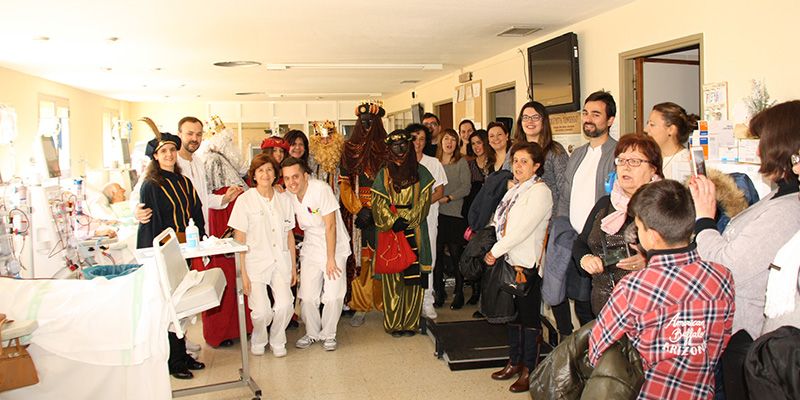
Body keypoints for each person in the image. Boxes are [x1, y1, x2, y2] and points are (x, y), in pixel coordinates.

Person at [589, 180, 735, 400]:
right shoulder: (722, 277)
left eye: (639, 227)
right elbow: (722, 341)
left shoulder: (632, 287)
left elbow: (597, 350)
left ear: (653, 236)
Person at [690, 100, 800, 339]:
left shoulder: (787, 211)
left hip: (747, 334)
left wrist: (705, 218)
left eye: (763, 143)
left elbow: (726, 268)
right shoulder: (779, 195)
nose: (758, 152)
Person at [135, 129, 206, 380]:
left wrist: (202, 241)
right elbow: (149, 223)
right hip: (163, 254)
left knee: (182, 304)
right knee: (169, 307)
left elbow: (196, 212)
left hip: (186, 249)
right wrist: (153, 257)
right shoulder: (150, 185)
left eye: (172, 150)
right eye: (163, 151)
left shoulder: (184, 181)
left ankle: (182, 354)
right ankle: (173, 362)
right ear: (155, 156)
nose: (169, 154)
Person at [549, 90, 619, 337]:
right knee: (580, 303)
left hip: (603, 245)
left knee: (600, 308)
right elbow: (565, 197)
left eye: (596, 114)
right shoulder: (578, 154)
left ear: (610, 120)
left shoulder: (618, 153)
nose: (588, 119)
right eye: (586, 113)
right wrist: (561, 229)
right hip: (576, 242)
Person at [171, 116, 246, 349]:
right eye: (189, 134)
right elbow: (144, 190)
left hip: (198, 235)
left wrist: (225, 198)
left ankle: (183, 342)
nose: (194, 138)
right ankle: (177, 347)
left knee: (191, 289)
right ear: (179, 134)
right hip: (178, 237)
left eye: (198, 134)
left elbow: (203, 199)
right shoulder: (171, 162)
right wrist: (139, 210)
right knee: (177, 293)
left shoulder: (198, 162)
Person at [485, 142, 552, 393]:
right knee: (512, 316)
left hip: (526, 264)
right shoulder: (516, 189)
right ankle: (514, 362)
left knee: (529, 318)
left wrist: (494, 251)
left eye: (525, 161)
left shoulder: (540, 192)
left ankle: (529, 370)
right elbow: (500, 221)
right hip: (509, 260)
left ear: (536, 166)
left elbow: (522, 230)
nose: (518, 166)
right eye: (515, 161)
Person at [573, 133, 661, 315]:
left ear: (653, 169)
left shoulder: (663, 205)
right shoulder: (605, 203)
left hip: (646, 307)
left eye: (634, 161)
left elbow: (681, 254)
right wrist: (586, 259)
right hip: (603, 308)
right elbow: (580, 243)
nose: (625, 167)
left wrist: (649, 262)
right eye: (621, 160)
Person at [228, 154, 296, 357]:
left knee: (285, 305)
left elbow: (289, 235)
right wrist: (243, 274)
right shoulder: (245, 201)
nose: (265, 174)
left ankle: (277, 338)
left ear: (275, 174)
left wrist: (293, 267)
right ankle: (259, 337)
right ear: (254, 176)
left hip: (280, 260)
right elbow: (239, 239)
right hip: (255, 263)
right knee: (261, 312)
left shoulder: (284, 200)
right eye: (260, 170)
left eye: (269, 170)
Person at [282, 157, 351, 351]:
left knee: (333, 295)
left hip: (334, 246)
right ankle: (312, 333)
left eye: (295, 176)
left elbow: (331, 226)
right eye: (287, 178)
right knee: (308, 295)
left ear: (305, 176)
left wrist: (330, 259)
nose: (292, 182)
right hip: (311, 246)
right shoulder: (288, 195)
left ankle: (329, 334)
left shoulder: (321, 189)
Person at [371, 129, 434, 337]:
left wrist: (408, 219)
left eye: (403, 144)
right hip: (391, 231)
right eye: (395, 145)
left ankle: (410, 323)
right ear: (389, 149)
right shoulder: (384, 174)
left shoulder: (421, 172)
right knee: (393, 276)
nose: (400, 148)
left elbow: (425, 201)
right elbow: (378, 203)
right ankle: (394, 323)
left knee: (413, 280)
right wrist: (392, 220)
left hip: (415, 229)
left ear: (409, 146)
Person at [340, 102, 389, 327]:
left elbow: (396, 184)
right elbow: (344, 184)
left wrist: (381, 209)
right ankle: (360, 305)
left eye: (372, 121)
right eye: (364, 121)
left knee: (386, 261)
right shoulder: (349, 149)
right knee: (362, 261)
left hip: (385, 213)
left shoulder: (388, 148)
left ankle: (386, 304)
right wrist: (359, 209)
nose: (368, 125)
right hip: (359, 215)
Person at [407, 123, 447, 319]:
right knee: (408, 259)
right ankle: (409, 303)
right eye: (414, 138)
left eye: (422, 139)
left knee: (428, 258)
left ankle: (427, 301)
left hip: (428, 217)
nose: (418, 143)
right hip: (405, 220)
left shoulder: (433, 163)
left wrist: (420, 205)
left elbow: (439, 191)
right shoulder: (400, 163)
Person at [433, 128, 471, 309]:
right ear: (441, 142)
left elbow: (466, 187)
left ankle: (459, 292)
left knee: (456, 255)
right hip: (436, 215)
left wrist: (448, 198)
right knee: (438, 256)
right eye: (446, 139)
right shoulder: (434, 163)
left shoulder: (461, 162)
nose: (449, 143)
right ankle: (439, 291)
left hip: (455, 214)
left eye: (453, 140)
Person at [513, 101, 568, 217]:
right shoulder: (514, 149)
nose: (530, 121)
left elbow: (564, 188)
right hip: (518, 215)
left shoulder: (555, 150)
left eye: (535, 117)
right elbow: (506, 177)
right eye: (525, 117)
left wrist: (559, 218)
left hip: (547, 217)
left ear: (544, 121)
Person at [462, 129, 494, 308]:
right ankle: (475, 291)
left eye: (479, 143)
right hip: (474, 214)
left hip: (491, 214)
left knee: (488, 253)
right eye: (473, 144)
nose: (476, 147)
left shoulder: (494, 162)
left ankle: (486, 294)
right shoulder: (469, 165)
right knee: (474, 252)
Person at [645, 102, 697, 181]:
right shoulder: (647, 158)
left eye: (652, 125)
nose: (645, 129)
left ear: (671, 129)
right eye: (647, 123)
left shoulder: (687, 164)